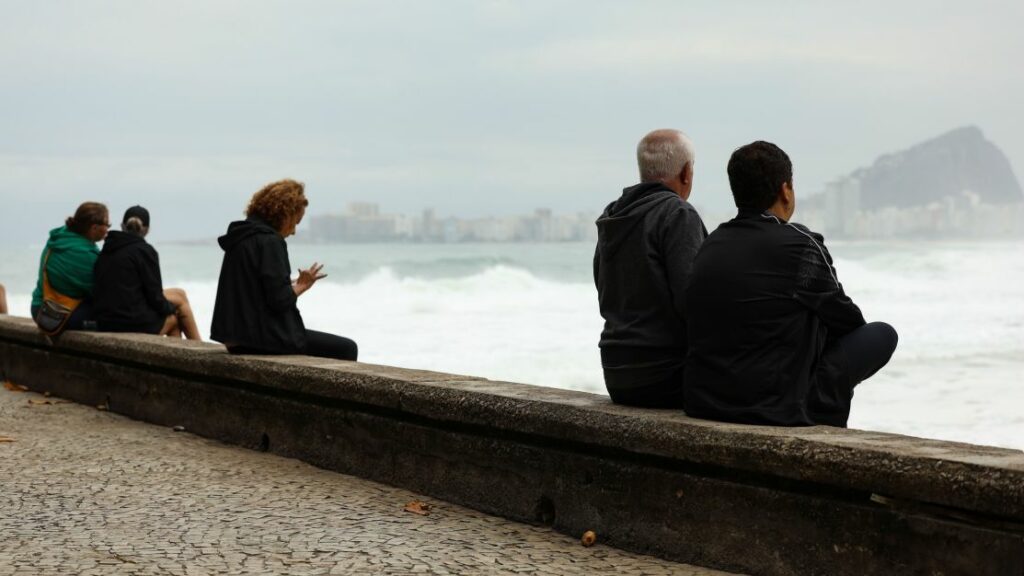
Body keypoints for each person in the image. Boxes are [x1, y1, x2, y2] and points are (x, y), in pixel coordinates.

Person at [684, 141, 898, 427]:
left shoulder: (710, 245)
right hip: (777, 407)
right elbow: (848, 321)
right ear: (786, 190)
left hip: (706, 401)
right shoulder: (800, 244)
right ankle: (820, 411)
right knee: (882, 334)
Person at [594, 129, 708, 408]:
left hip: (616, 374)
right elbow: (692, 302)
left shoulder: (613, 216)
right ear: (686, 173)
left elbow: (602, 288)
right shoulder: (678, 214)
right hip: (666, 375)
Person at [211, 179, 358, 361]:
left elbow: (251, 288)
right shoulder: (271, 241)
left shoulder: (241, 236)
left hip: (235, 337)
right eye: (296, 222)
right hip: (259, 339)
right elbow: (279, 300)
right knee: (347, 348)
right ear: (285, 214)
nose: (294, 231)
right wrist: (302, 285)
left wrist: (284, 282)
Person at [93, 206, 201, 340]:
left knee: (180, 294)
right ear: (147, 229)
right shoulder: (144, 251)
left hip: (106, 320)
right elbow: (154, 296)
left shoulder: (107, 250)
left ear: (122, 226)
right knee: (173, 319)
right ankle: (200, 347)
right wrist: (170, 309)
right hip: (129, 321)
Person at [31, 202, 110, 330]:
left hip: (38, 307)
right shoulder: (84, 254)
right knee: (111, 317)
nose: (108, 230)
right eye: (107, 225)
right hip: (56, 315)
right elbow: (98, 292)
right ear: (94, 228)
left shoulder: (59, 238)